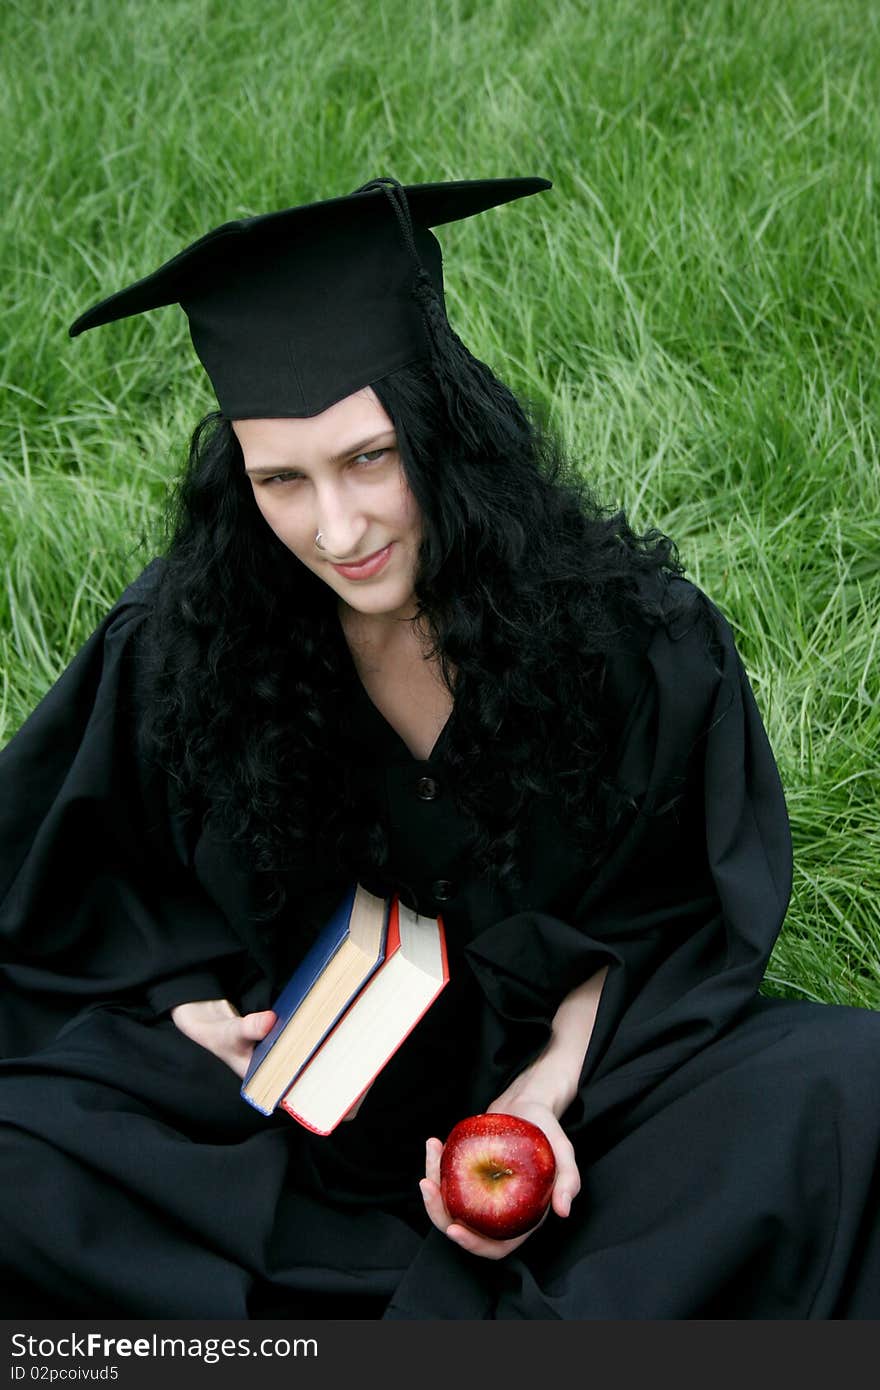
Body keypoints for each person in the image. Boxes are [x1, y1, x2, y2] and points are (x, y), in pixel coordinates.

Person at [1, 175, 878, 1320]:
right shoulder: (183, 651)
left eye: (370, 457)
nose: (338, 527)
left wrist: (543, 1092)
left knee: (848, 1090)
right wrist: (182, 1014)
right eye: (282, 478)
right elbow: (71, 898)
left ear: (446, 427)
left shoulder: (626, 639)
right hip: (283, 1132)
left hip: (583, 1124)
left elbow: (672, 919)